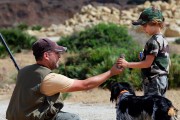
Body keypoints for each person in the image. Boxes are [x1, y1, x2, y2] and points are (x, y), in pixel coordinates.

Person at [6, 38, 123, 120]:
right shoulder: (49, 78)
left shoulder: (24, 71)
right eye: (57, 53)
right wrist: (111, 72)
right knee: (72, 118)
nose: (60, 56)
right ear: (46, 55)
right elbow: (85, 85)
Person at [117, 7, 170, 96]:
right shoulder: (163, 39)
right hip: (162, 79)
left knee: (151, 107)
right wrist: (144, 57)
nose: (143, 28)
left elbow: (147, 63)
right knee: (159, 107)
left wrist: (127, 64)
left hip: (154, 80)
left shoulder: (153, 41)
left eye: (145, 25)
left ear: (155, 23)